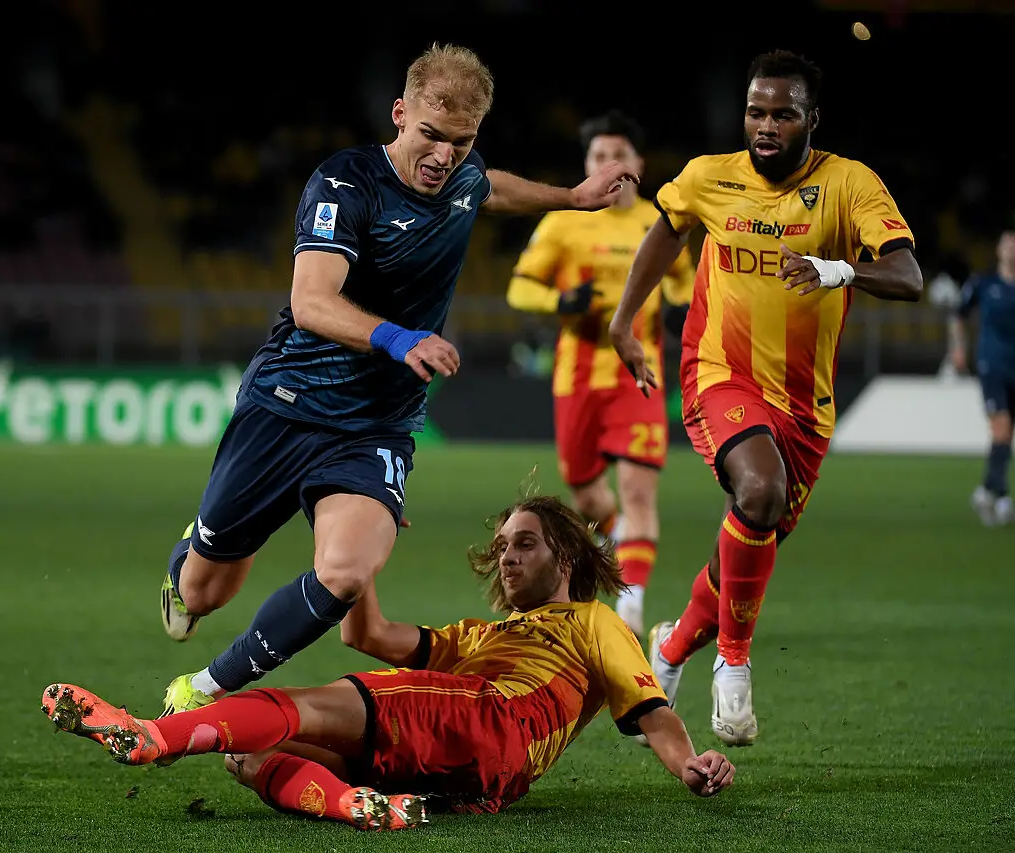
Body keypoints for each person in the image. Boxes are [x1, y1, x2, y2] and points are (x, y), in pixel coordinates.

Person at [155, 44, 639, 714]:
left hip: (375, 424)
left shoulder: (463, 175)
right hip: (288, 402)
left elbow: (491, 186)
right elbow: (311, 302)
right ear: (400, 114)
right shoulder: (344, 184)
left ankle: (204, 689)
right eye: (431, 137)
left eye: (461, 142)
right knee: (207, 591)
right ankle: (191, 557)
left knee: (347, 573)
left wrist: (572, 198)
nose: (444, 156)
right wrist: (397, 336)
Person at [43, 496, 736, 831]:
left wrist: (687, 763)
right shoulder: (478, 636)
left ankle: (152, 736)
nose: (508, 556)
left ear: (569, 555)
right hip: (471, 765)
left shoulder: (592, 620)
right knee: (251, 756)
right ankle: (361, 806)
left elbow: (650, 707)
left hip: (498, 718)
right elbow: (366, 632)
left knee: (309, 702)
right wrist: (357, 550)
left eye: (524, 542)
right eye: (501, 546)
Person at [610, 50, 923, 747]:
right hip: (718, 370)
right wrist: (624, 319)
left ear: (813, 119)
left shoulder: (848, 185)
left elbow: (908, 274)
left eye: (784, 113)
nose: (767, 125)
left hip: (805, 405)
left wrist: (839, 268)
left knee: (747, 543)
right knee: (757, 491)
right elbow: (665, 231)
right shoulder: (708, 176)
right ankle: (733, 661)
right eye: (757, 111)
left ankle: (670, 644)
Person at [506, 109, 694, 637]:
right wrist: (562, 299)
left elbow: (687, 285)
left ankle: (629, 605)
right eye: (598, 156)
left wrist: (681, 306)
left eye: (618, 154)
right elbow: (519, 288)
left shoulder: (661, 225)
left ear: (637, 163)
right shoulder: (564, 222)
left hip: (639, 372)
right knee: (588, 497)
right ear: (586, 164)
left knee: (637, 491)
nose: (608, 163)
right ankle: (616, 545)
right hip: (578, 376)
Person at [950, 228, 1015, 526]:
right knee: (1001, 429)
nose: (1011, 249)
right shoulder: (984, 282)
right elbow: (958, 314)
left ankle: (986, 490)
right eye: (1007, 243)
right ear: (999, 249)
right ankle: (1001, 497)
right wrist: (959, 348)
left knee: (1005, 435)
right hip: (993, 365)